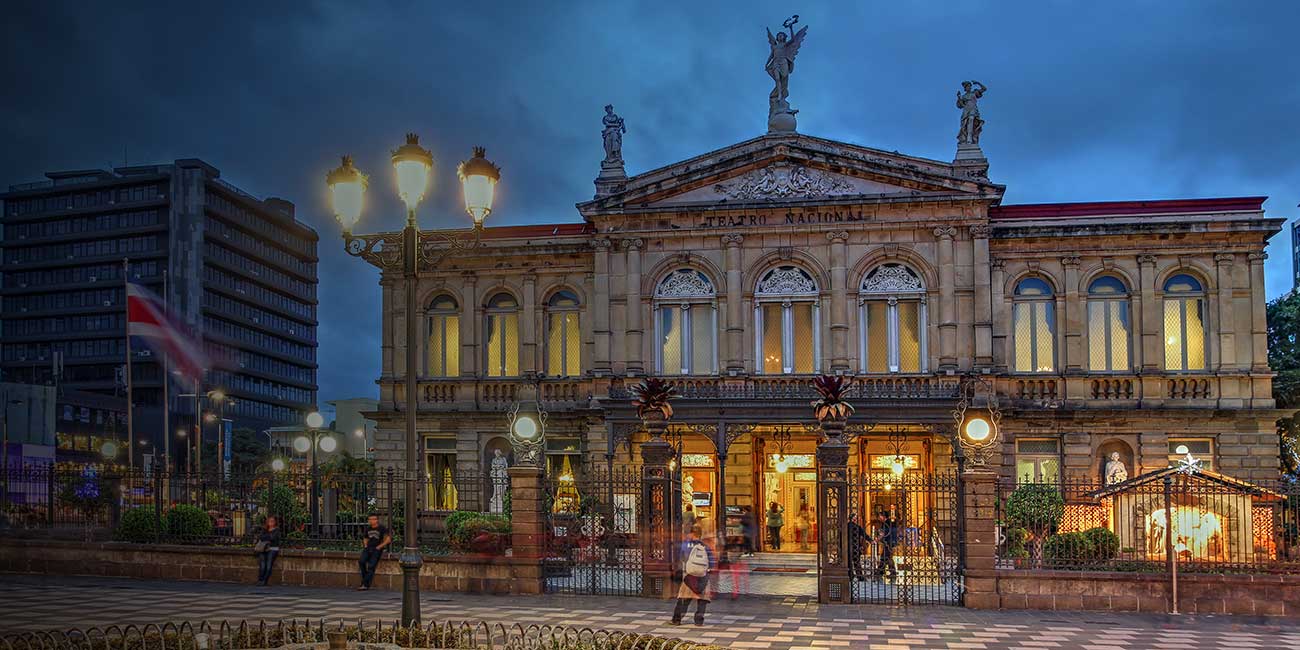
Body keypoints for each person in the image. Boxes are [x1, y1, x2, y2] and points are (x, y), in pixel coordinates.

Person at [670, 525, 714, 625]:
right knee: (702, 599)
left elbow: (681, 559)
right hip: (703, 575)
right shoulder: (705, 546)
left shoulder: (686, 545)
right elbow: (711, 562)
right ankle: (699, 621)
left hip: (689, 575)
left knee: (684, 598)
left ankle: (677, 619)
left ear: (692, 534)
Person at [357, 514, 391, 591]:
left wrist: (379, 547)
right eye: (369, 519)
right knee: (361, 562)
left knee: (371, 566)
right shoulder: (368, 528)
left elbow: (388, 540)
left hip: (376, 549)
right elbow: (365, 538)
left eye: (373, 519)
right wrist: (365, 545)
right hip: (368, 548)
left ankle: (365, 584)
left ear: (376, 520)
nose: (371, 521)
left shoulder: (382, 528)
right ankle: (366, 581)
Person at [254, 515, 282, 586]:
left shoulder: (277, 530)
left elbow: (273, 538)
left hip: (273, 549)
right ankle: (260, 580)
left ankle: (264, 581)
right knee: (262, 565)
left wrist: (266, 537)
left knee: (269, 566)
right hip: (263, 549)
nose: (271, 522)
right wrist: (268, 537)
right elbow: (260, 537)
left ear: (275, 522)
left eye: (272, 521)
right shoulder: (264, 529)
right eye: (269, 521)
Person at [873, 511, 899, 581]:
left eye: (880, 516)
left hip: (888, 543)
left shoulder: (886, 523)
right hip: (891, 542)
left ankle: (880, 571)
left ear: (884, 516)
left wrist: (876, 540)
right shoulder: (890, 523)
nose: (879, 518)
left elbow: (882, 534)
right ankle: (888, 571)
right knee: (887, 557)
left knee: (884, 557)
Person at [847, 513, 869, 581]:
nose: (857, 518)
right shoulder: (857, 527)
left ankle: (850, 576)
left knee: (848, 562)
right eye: (856, 517)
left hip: (847, 547)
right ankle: (860, 576)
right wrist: (871, 540)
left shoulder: (845, 526)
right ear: (853, 518)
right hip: (855, 546)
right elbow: (864, 535)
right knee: (857, 562)